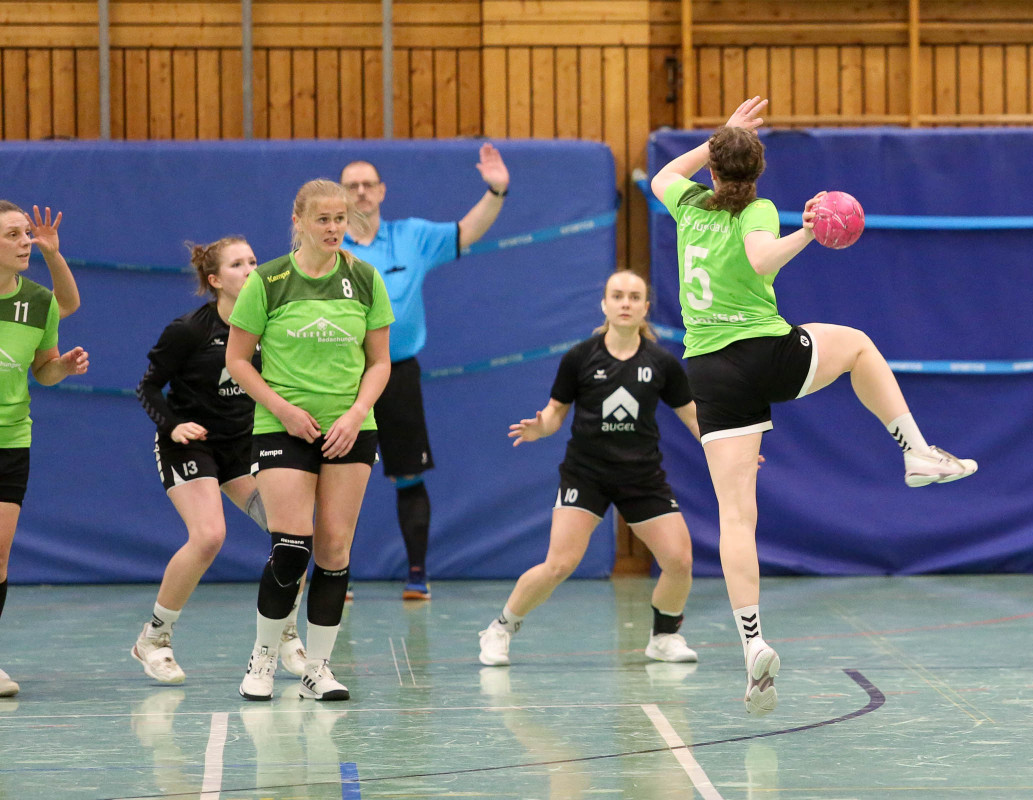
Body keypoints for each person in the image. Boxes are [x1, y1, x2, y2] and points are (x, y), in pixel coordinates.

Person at [650, 97, 978, 715]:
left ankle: (753, 645)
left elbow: (664, 174)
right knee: (857, 346)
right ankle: (916, 452)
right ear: (758, 173)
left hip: (711, 372)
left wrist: (720, 136)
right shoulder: (757, 208)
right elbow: (759, 258)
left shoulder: (688, 204)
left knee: (735, 518)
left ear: (713, 170)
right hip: (763, 354)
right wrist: (805, 231)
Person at [478, 270, 701, 667]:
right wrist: (540, 428)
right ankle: (500, 628)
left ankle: (664, 637)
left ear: (646, 307)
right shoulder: (580, 358)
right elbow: (554, 414)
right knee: (559, 564)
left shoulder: (662, 363)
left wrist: (728, 449)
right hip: (586, 474)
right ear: (604, 304)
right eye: (618, 295)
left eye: (634, 297)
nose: (626, 303)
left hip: (642, 476)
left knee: (679, 560)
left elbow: (692, 416)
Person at [226, 179, 393, 702]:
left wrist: (356, 414)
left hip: (350, 429)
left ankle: (317, 669)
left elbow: (380, 362)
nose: (334, 228)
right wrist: (282, 409)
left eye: (341, 218)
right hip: (284, 426)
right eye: (323, 219)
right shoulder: (268, 280)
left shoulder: (364, 278)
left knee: (335, 548)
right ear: (298, 222)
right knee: (292, 546)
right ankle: (263, 657)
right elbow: (237, 360)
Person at [131, 236, 307, 685]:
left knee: (295, 534)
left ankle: (285, 631)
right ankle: (155, 637)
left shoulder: (269, 325)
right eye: (237, 264)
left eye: (253, 261)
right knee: (209, 536)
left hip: (243, 447)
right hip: (191, 444)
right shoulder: (189, 330)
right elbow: (147, 387)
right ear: (215, 280)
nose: (250, 269)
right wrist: (173, 425)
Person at [340, 145, 509, 601]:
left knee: (409, 475)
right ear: (340, 195)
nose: (361, 192)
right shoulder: (327, 249)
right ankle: (336, 574)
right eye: (352, 186)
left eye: (368, 185)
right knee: (337, 476)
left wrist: (496, 191)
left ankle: (417, 575)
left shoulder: (412, 236)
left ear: (382, 191)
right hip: (340, 379)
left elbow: (466, 232)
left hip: (398, 375)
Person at [0, 200, 89, 697]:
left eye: (25, 234)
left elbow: (44, 369)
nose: (24, 243)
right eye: (12, 235)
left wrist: (64, 367)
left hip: (11, 439)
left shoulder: (37, 302)